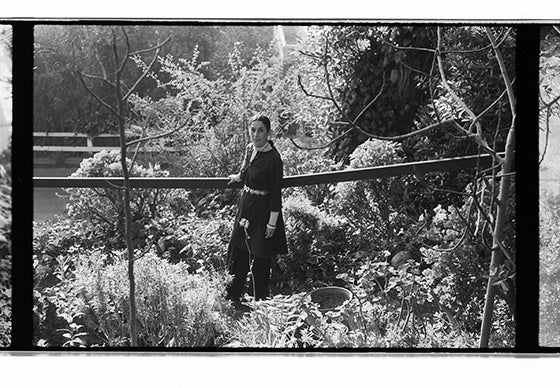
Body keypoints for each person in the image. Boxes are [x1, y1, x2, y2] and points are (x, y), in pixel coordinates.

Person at [226, 115, 288, 306]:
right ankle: (232, 297)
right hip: (246, 206)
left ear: (268, 133)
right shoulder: (250, 149)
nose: (256, 134)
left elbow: (276, 193)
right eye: (252, 130)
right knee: (238, 249)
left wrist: (272, 223)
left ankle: (258, 302)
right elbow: (245, 170)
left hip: (262, 212)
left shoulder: (274, 159)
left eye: (260, 130)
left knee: (260, 255)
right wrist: (238, 177)